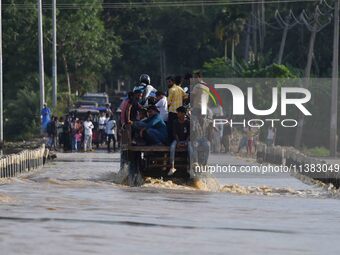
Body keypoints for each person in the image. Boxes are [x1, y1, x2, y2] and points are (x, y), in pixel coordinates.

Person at [168, 106, 190, 176]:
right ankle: (172, 167)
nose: (177, 114)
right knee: (172, 147)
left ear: (183, 113)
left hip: (186, 140)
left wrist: (186, 142)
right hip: (177, 140)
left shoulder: (188, 122)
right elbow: (175, 133)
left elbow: (190, 134)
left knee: (191, 149)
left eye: (178, 113)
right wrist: (178, 142)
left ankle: (191, 168)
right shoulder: (175, 122)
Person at [167, 76, 187, 140]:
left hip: (172, 112)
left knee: (170, 128)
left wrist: (167, 108)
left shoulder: (171, 90)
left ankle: (171, 141)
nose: (168, 83)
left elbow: (168, 102)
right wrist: (182, 103)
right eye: (167, 82)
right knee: (178, 127)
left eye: (169, 82)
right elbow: (186, 97)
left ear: (173, 82)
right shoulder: (180, 88)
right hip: (179, 113)